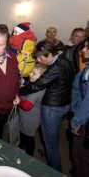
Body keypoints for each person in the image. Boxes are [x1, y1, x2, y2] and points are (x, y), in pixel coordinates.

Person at [20, 41, 74, 172]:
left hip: (52, 107)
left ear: (49, 54)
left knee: (50, 142)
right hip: (64, 103)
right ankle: (50, 155)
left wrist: (19, 91)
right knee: (52, 138)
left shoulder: (55, 67)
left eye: (40, 57)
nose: (38, 60)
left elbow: (36, 85)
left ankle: (55, 170)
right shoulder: (64, 59)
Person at [18, 63, 47, 156]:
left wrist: (18, 100)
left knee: (29, 139)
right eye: (31, 72)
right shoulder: (34, 85)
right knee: (23, 136)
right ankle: (21, 149)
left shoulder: (37, 90)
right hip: (26, 117)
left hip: (31, 118)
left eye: (34, 73)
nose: (30, 74)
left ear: (41, 77)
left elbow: (27, 106)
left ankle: (29, 156)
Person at [70, 37, 89, 177]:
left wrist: (76, 121)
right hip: (83, 117)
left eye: (87, 47)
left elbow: (87, 102)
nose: (83, 50)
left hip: (85, 121)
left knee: (80, 156)